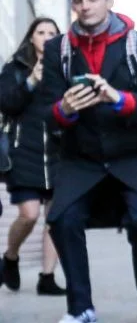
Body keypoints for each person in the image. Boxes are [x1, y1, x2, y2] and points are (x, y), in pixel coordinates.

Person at [37, 0, 137, 323]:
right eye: (78, 0)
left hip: (134, 155)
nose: (85, 6)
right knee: (62, 218)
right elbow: (47, 113)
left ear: (109, 2)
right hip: (81, 157)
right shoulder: (59, 50)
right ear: (72, 5)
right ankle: (80, 308)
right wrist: (65, 109)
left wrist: (119, 99)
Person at [0, 17, 67, 296]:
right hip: (24, 151)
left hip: (58, 152)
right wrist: (31, 81)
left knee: (55, 218)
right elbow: (6, 104)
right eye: (41, 32)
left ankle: (47, 277)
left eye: (53, 33)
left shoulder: (65, 69)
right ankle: (10, 257)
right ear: (31, 38)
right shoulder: (14, 69)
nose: (47, 37)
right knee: (29, 215)